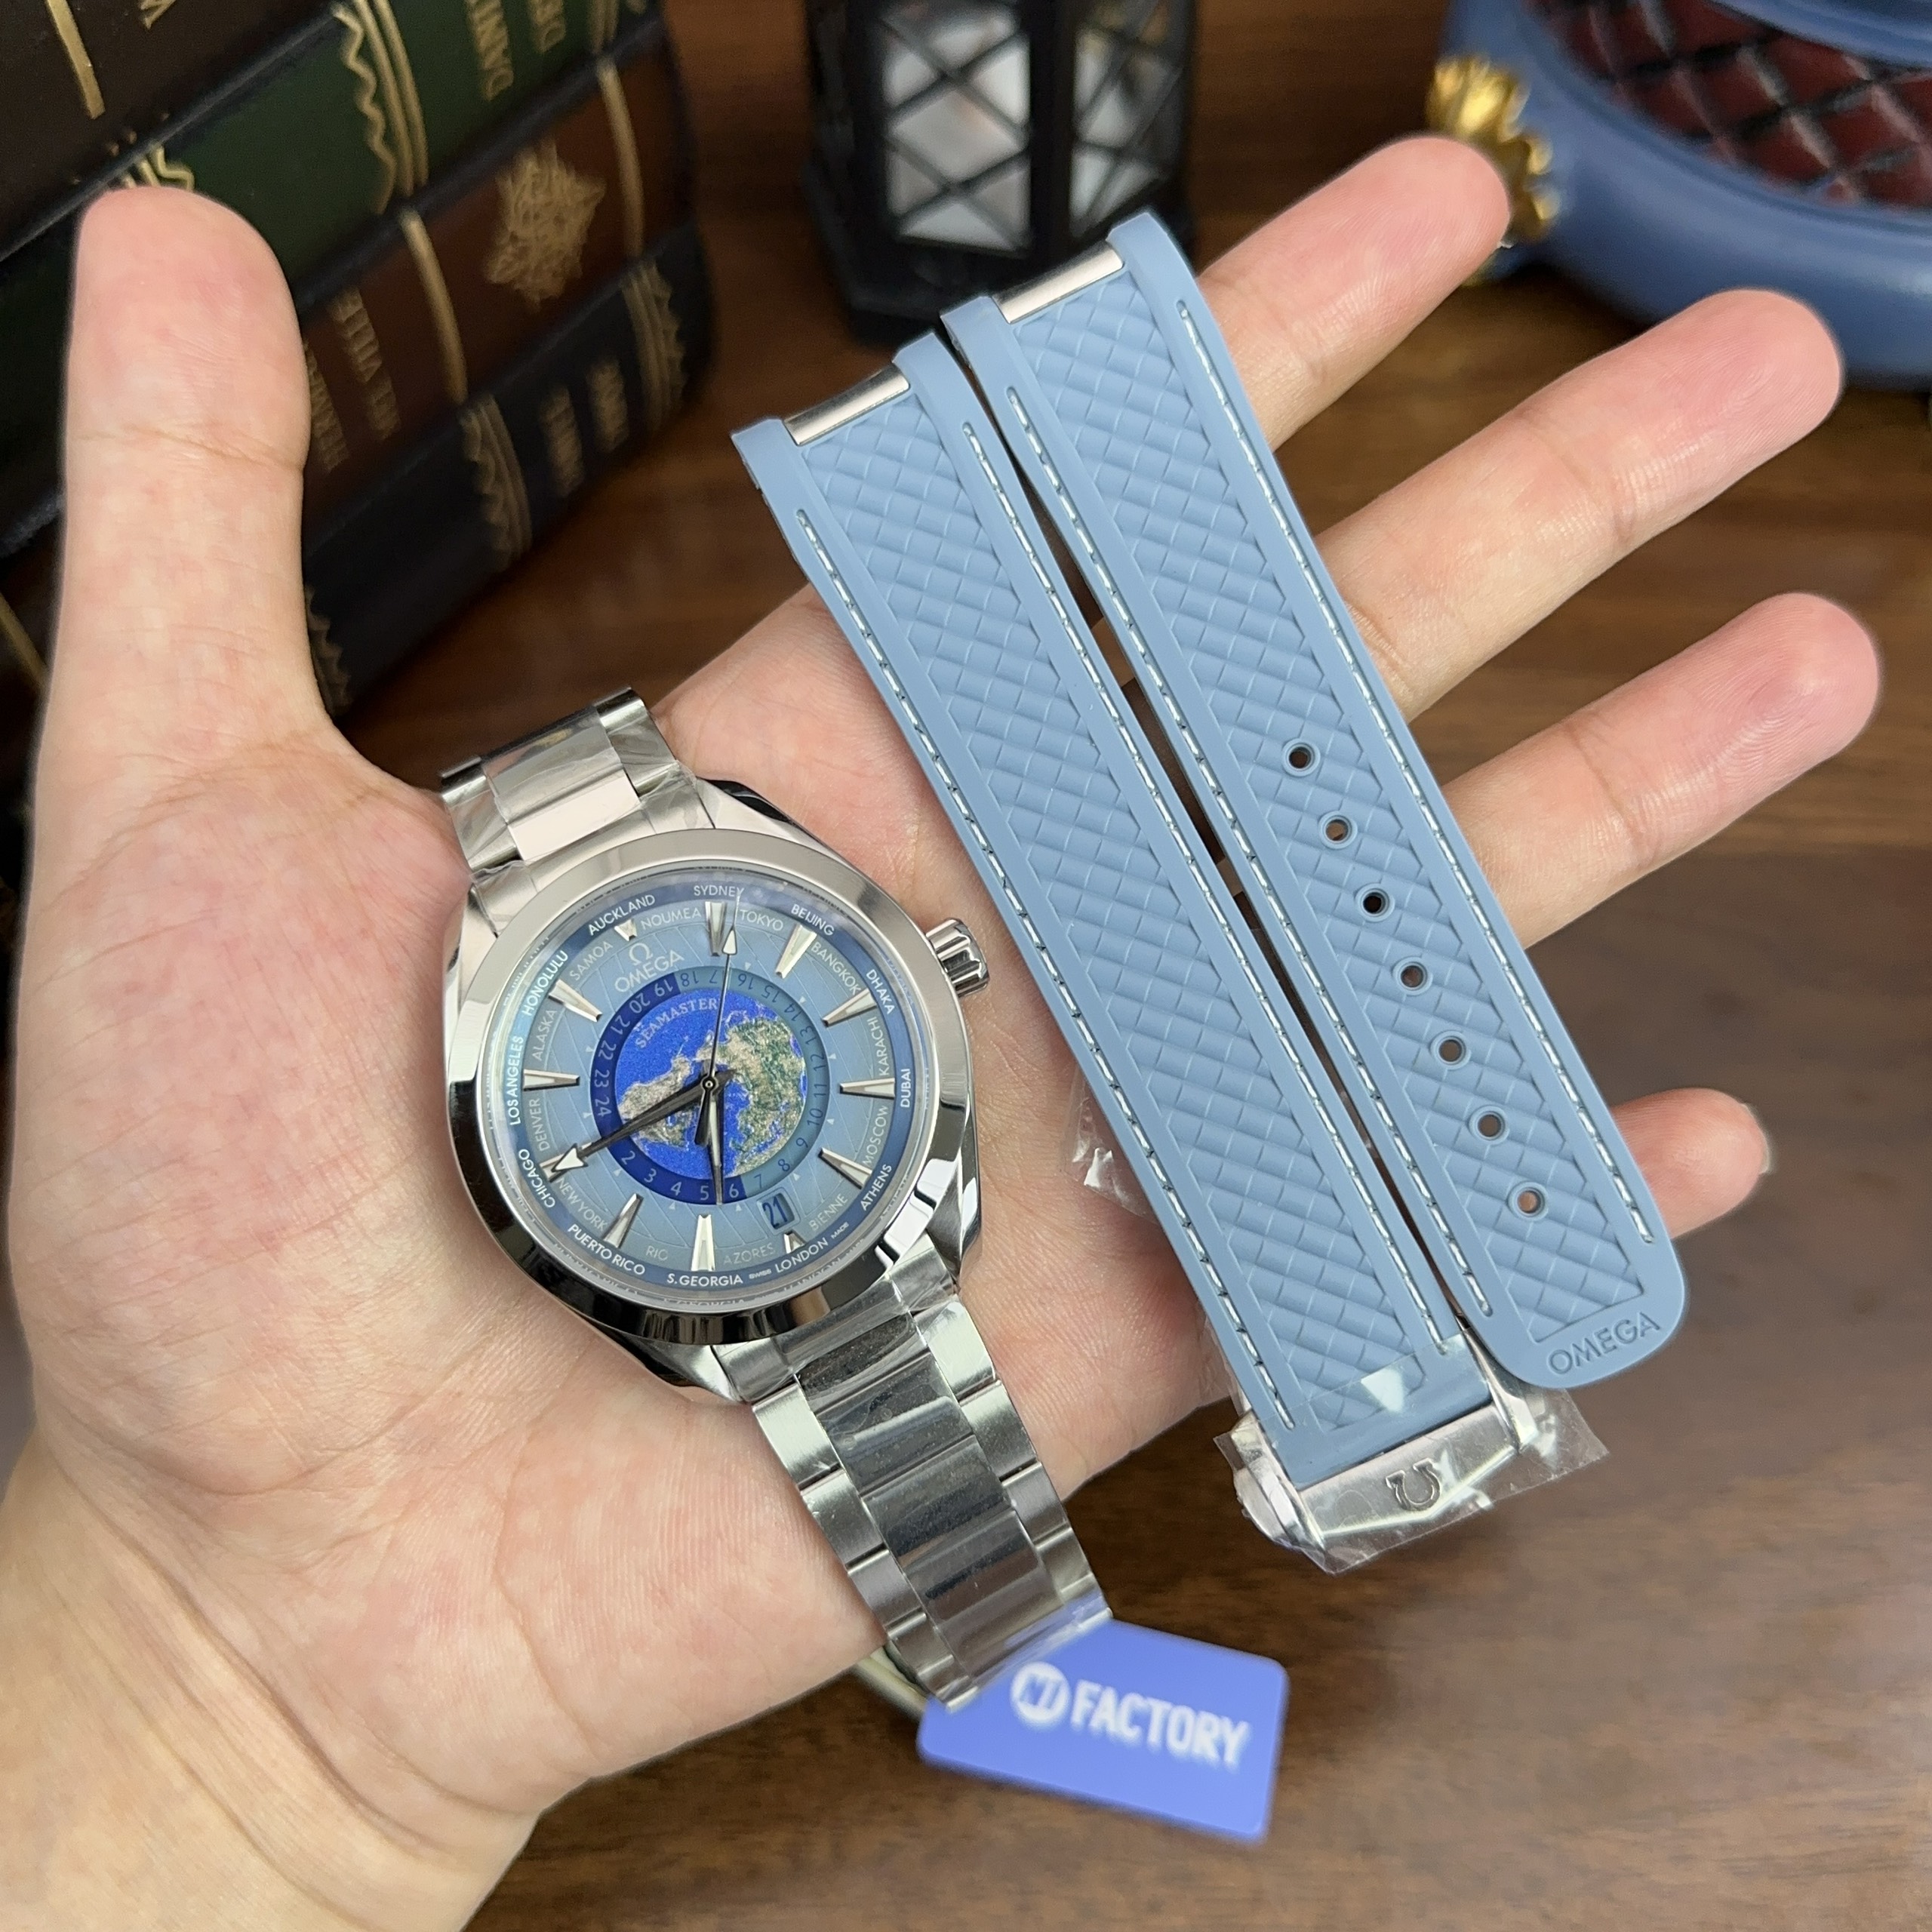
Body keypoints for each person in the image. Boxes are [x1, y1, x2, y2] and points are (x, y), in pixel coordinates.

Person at [0, 137, 1878, 1927]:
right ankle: (998, 1650)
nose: (702, 1075)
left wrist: (239, 1725)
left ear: (926, 959)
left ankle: (999, 1642)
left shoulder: (787, 1039)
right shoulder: (576, 1168)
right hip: (742, 1261)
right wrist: (227, 1689)